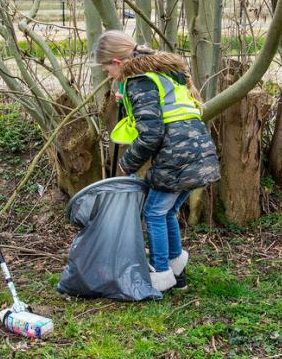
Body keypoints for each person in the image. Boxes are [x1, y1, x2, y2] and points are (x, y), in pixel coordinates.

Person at [92, 30, 220, 292]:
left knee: (154, 212)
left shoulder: (139, 81)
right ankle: (177, 273)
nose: (107, 75)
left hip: (178, 154)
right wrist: (127, 101)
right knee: (168, 212)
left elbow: (150, 134)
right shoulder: (160, 73)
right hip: (199, 151)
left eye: (107, 68)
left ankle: (160, 273)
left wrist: (126, 164)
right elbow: (160, 111)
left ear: (117, 62)